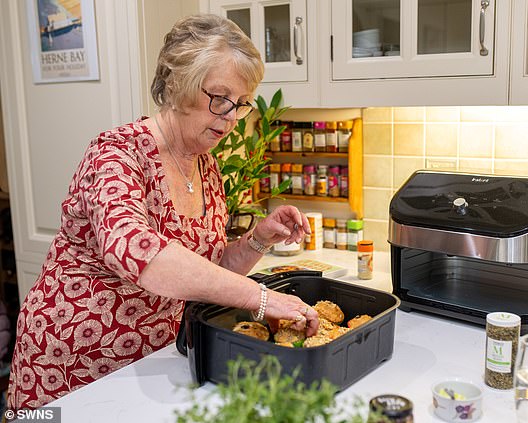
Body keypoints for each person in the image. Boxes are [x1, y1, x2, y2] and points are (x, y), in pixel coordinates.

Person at [7, 14, 319, 409]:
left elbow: (202, 271)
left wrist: (258, 239)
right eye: (219, 98)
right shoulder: (116, 153)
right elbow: (142, 255)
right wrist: (261, 298)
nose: (230, 118)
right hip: (72, 364)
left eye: (240, 104)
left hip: (151, 364)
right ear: (178, 84)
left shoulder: (206, 166)